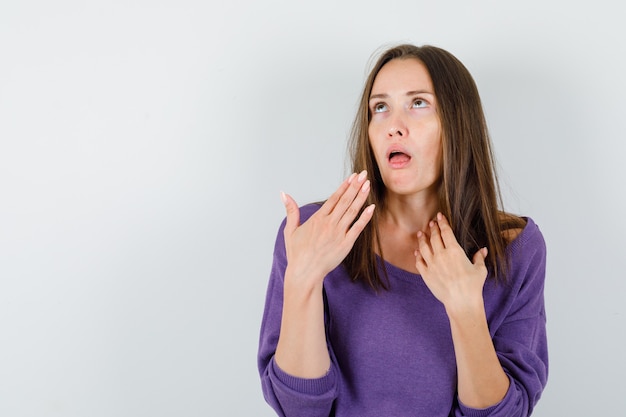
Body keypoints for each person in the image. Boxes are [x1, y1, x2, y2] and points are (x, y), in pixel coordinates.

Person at [258, 44, 548, 417]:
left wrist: (465, 309)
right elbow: (298, 409)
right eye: (380, 107)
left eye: (418, 103)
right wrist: (302, 281)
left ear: (457, 124)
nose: (394, 124)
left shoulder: (517, 248)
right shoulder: (314, 235)